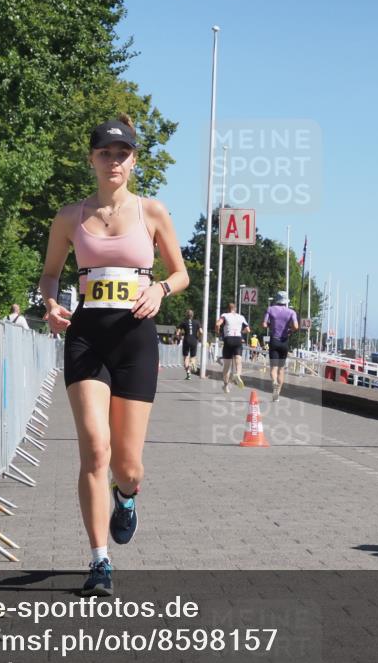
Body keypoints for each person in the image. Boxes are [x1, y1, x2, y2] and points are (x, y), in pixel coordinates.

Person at [39, 115, 188, 597]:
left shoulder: (152, 212)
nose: (114, 161)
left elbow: (181, 274)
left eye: (122, 154)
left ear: (134, 160)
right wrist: (51, 303)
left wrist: (162, 289)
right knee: (95, 450)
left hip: (135, 340)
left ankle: (127, 497)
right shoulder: (69, 217)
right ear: (92, 159)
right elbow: (49, 275)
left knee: (127, 464)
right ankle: (99, 561)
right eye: (105, 153)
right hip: (86, 337)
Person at [262, 291, 299, 401]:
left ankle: (274, 382)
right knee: (281, 369)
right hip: (284, 342)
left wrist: (270, 325)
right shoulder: (291, 312)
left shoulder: (270, 309)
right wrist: (289, 330)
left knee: (273, 368)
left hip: (274, 340)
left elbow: (264, 324)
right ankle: (277, 394)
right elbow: (296, 326)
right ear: (286, 301)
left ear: (276, 299)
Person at [215, 303, 249, 393]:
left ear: (228, 309)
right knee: (238, 360)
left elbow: (218, 324)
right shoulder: (241, 317)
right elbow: (248, 329)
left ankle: (226, 386)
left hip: (228, 339)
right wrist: (241, 331)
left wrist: (218, 331)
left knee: (227, 366)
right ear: (235, 309)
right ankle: (237, 374)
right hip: (238, 339)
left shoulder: (225, 315)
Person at [175, 309, 202, 379]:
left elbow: (178, 332)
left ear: (186, 315)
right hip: (194, 340)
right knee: (193, 357)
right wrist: (198, 337)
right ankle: (191, 364)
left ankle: (188, 373)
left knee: (185, 357)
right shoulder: (197, 322)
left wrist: (178, 338)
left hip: (186, 340)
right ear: (193, 315)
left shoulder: (183, 322)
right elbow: (201, 331)